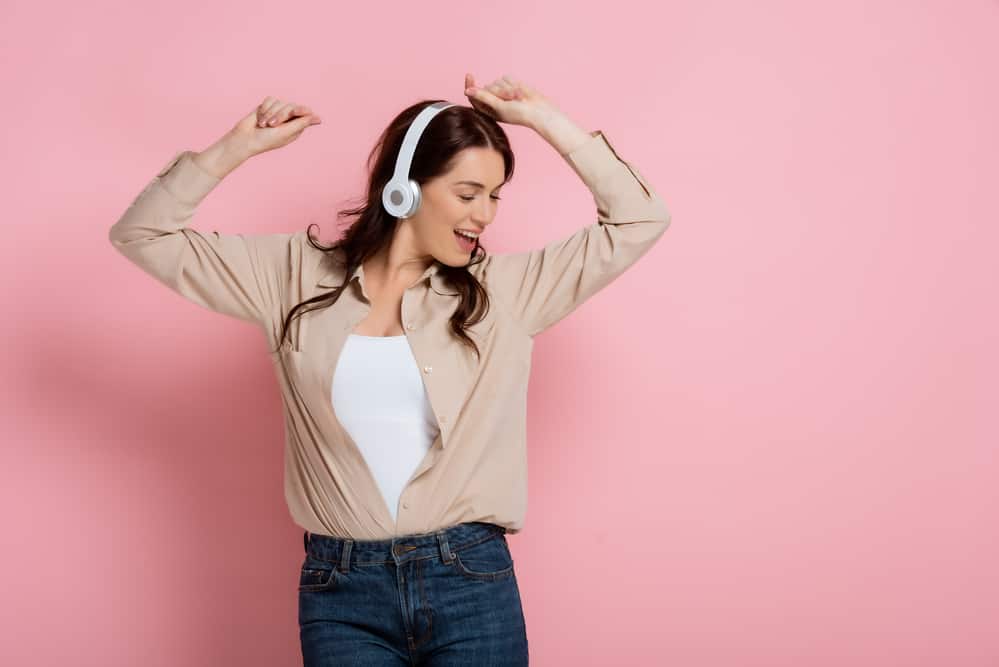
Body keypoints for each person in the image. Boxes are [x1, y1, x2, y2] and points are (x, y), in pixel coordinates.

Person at [109, 73, 671, 666]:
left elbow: (640, 219)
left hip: (469, 582)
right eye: (467, 192)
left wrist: (547, 121)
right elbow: (141, 234)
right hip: (340, 590)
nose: (485, 215)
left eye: (495, 195)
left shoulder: (504, 293)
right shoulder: (290, 276)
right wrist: (235, 148)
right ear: (403, 189)